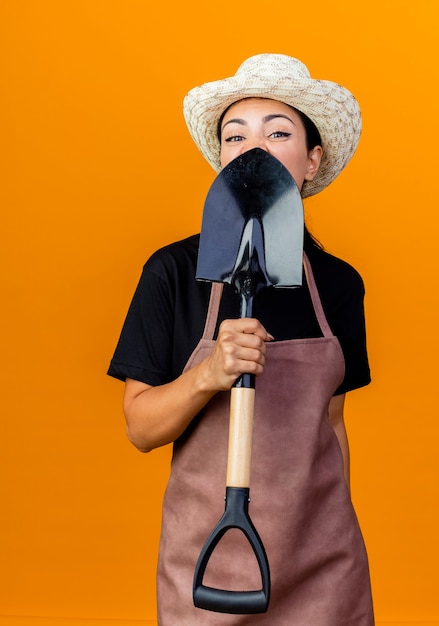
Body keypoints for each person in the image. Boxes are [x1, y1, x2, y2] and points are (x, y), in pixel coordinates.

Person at [108, 53, 374, 625]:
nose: (254, 149)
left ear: (311, 160)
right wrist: (208, 374)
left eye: (279, 132)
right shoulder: (174, 272)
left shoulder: (338, 284)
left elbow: (332, 425)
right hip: (212, 561)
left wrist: (338, 534)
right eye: (235, 135)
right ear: (222, 160)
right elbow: (139, 428)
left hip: (324, 564)